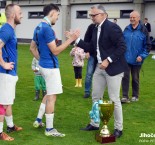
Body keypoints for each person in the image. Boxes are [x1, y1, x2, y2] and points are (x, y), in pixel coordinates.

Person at [71, 4, 128, 138]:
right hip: (99, 68)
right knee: (96, 97)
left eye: (94, 15)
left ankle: (118, 128)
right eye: (91, 15)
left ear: (103, 15)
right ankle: (94, 123)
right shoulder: (95, 28)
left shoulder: (113, 27)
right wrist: (76, 39)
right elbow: (90, 47)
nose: (91, 17)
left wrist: (108, 60)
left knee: (114, 99)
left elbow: (122, 47)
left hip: (114, 69)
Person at [30, 3, 79, 137]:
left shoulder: (38, 27)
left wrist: (41, 60)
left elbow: (32, 48)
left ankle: (39, 120)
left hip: (44, 66)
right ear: (51, 13)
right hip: (50, 68)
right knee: (52, 97)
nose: (57, 18)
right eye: (57, 15)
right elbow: (55, 51)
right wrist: (71, 39)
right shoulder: (47, 29)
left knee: (48, 94)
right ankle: (49, 129)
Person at [0, 4, 23, 141]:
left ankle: (10, 126)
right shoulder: (7, 30)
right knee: (3, 103)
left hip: (9, 73)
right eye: (19, 12)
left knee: (8, 101)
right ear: (13, 15)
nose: (21, 15)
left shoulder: (9, 30)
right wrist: (3, 64)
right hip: (5, 73)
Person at [121, 11, 151, 103]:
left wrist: (142, 56)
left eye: (134, 17)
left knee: (135, 78)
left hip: (137, 60)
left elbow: (148, 46)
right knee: (125, 77)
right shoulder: (126, 29)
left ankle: (135, 95)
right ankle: (125, 96)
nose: (132, 19)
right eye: (130, 17)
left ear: (138, 18)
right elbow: (121, 42)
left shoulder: (143, 30)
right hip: (126, 58)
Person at [83, 23, 96, 98]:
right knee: (89, 73)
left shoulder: (106, 27)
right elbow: (86, 39)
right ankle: (87, 92)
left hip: (102, 56)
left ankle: (98, 92)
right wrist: (87, 51)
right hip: (92, 54)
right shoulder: (91, 27)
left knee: (100, 75)